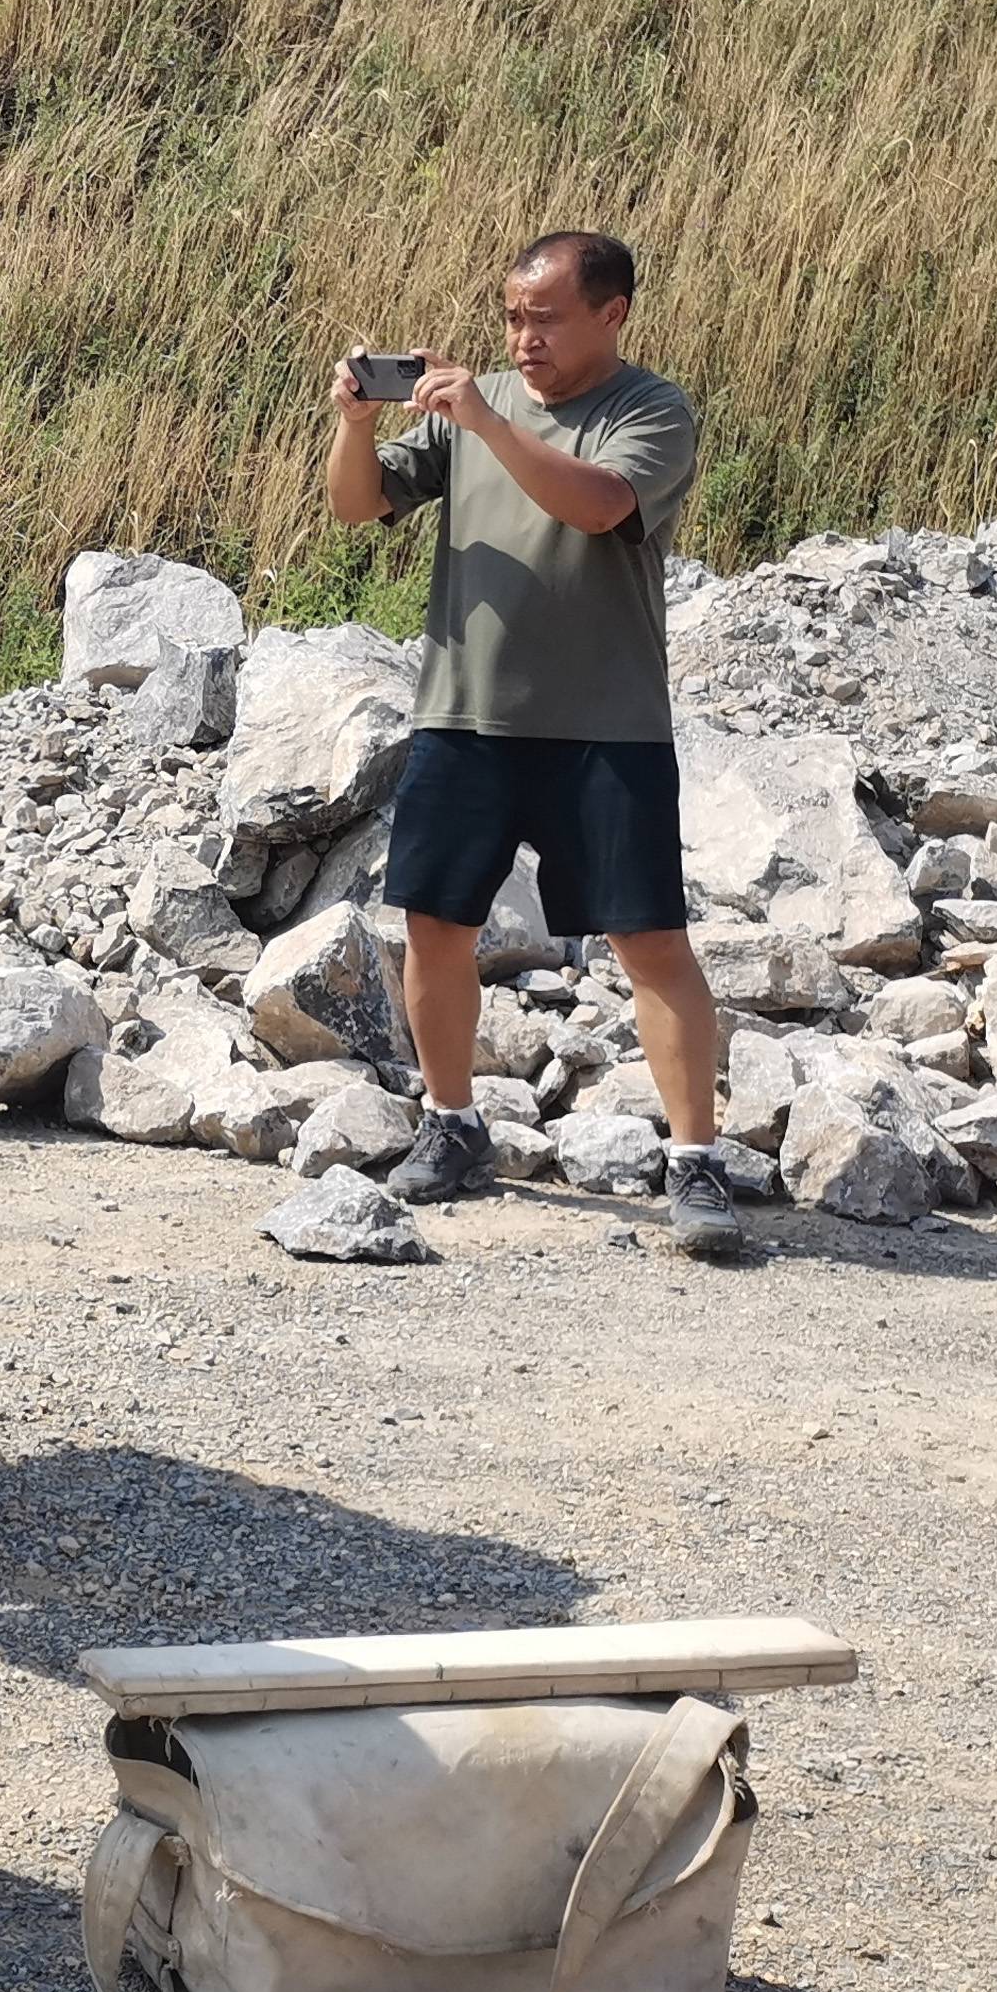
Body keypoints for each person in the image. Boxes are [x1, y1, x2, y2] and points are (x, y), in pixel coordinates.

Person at [331, 233, 739, 1255]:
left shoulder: (652, 410)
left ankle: (694, 1163)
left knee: (648, 942)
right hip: (462, 716)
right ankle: (453, 1124)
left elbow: (599, 507)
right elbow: (358, 503)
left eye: (546, 317)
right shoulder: (470, 405)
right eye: (513, 317)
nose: (524, 337)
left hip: (606, 726)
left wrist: (485, 421)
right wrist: (352, 426)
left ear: (612, 314)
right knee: (433, 924)